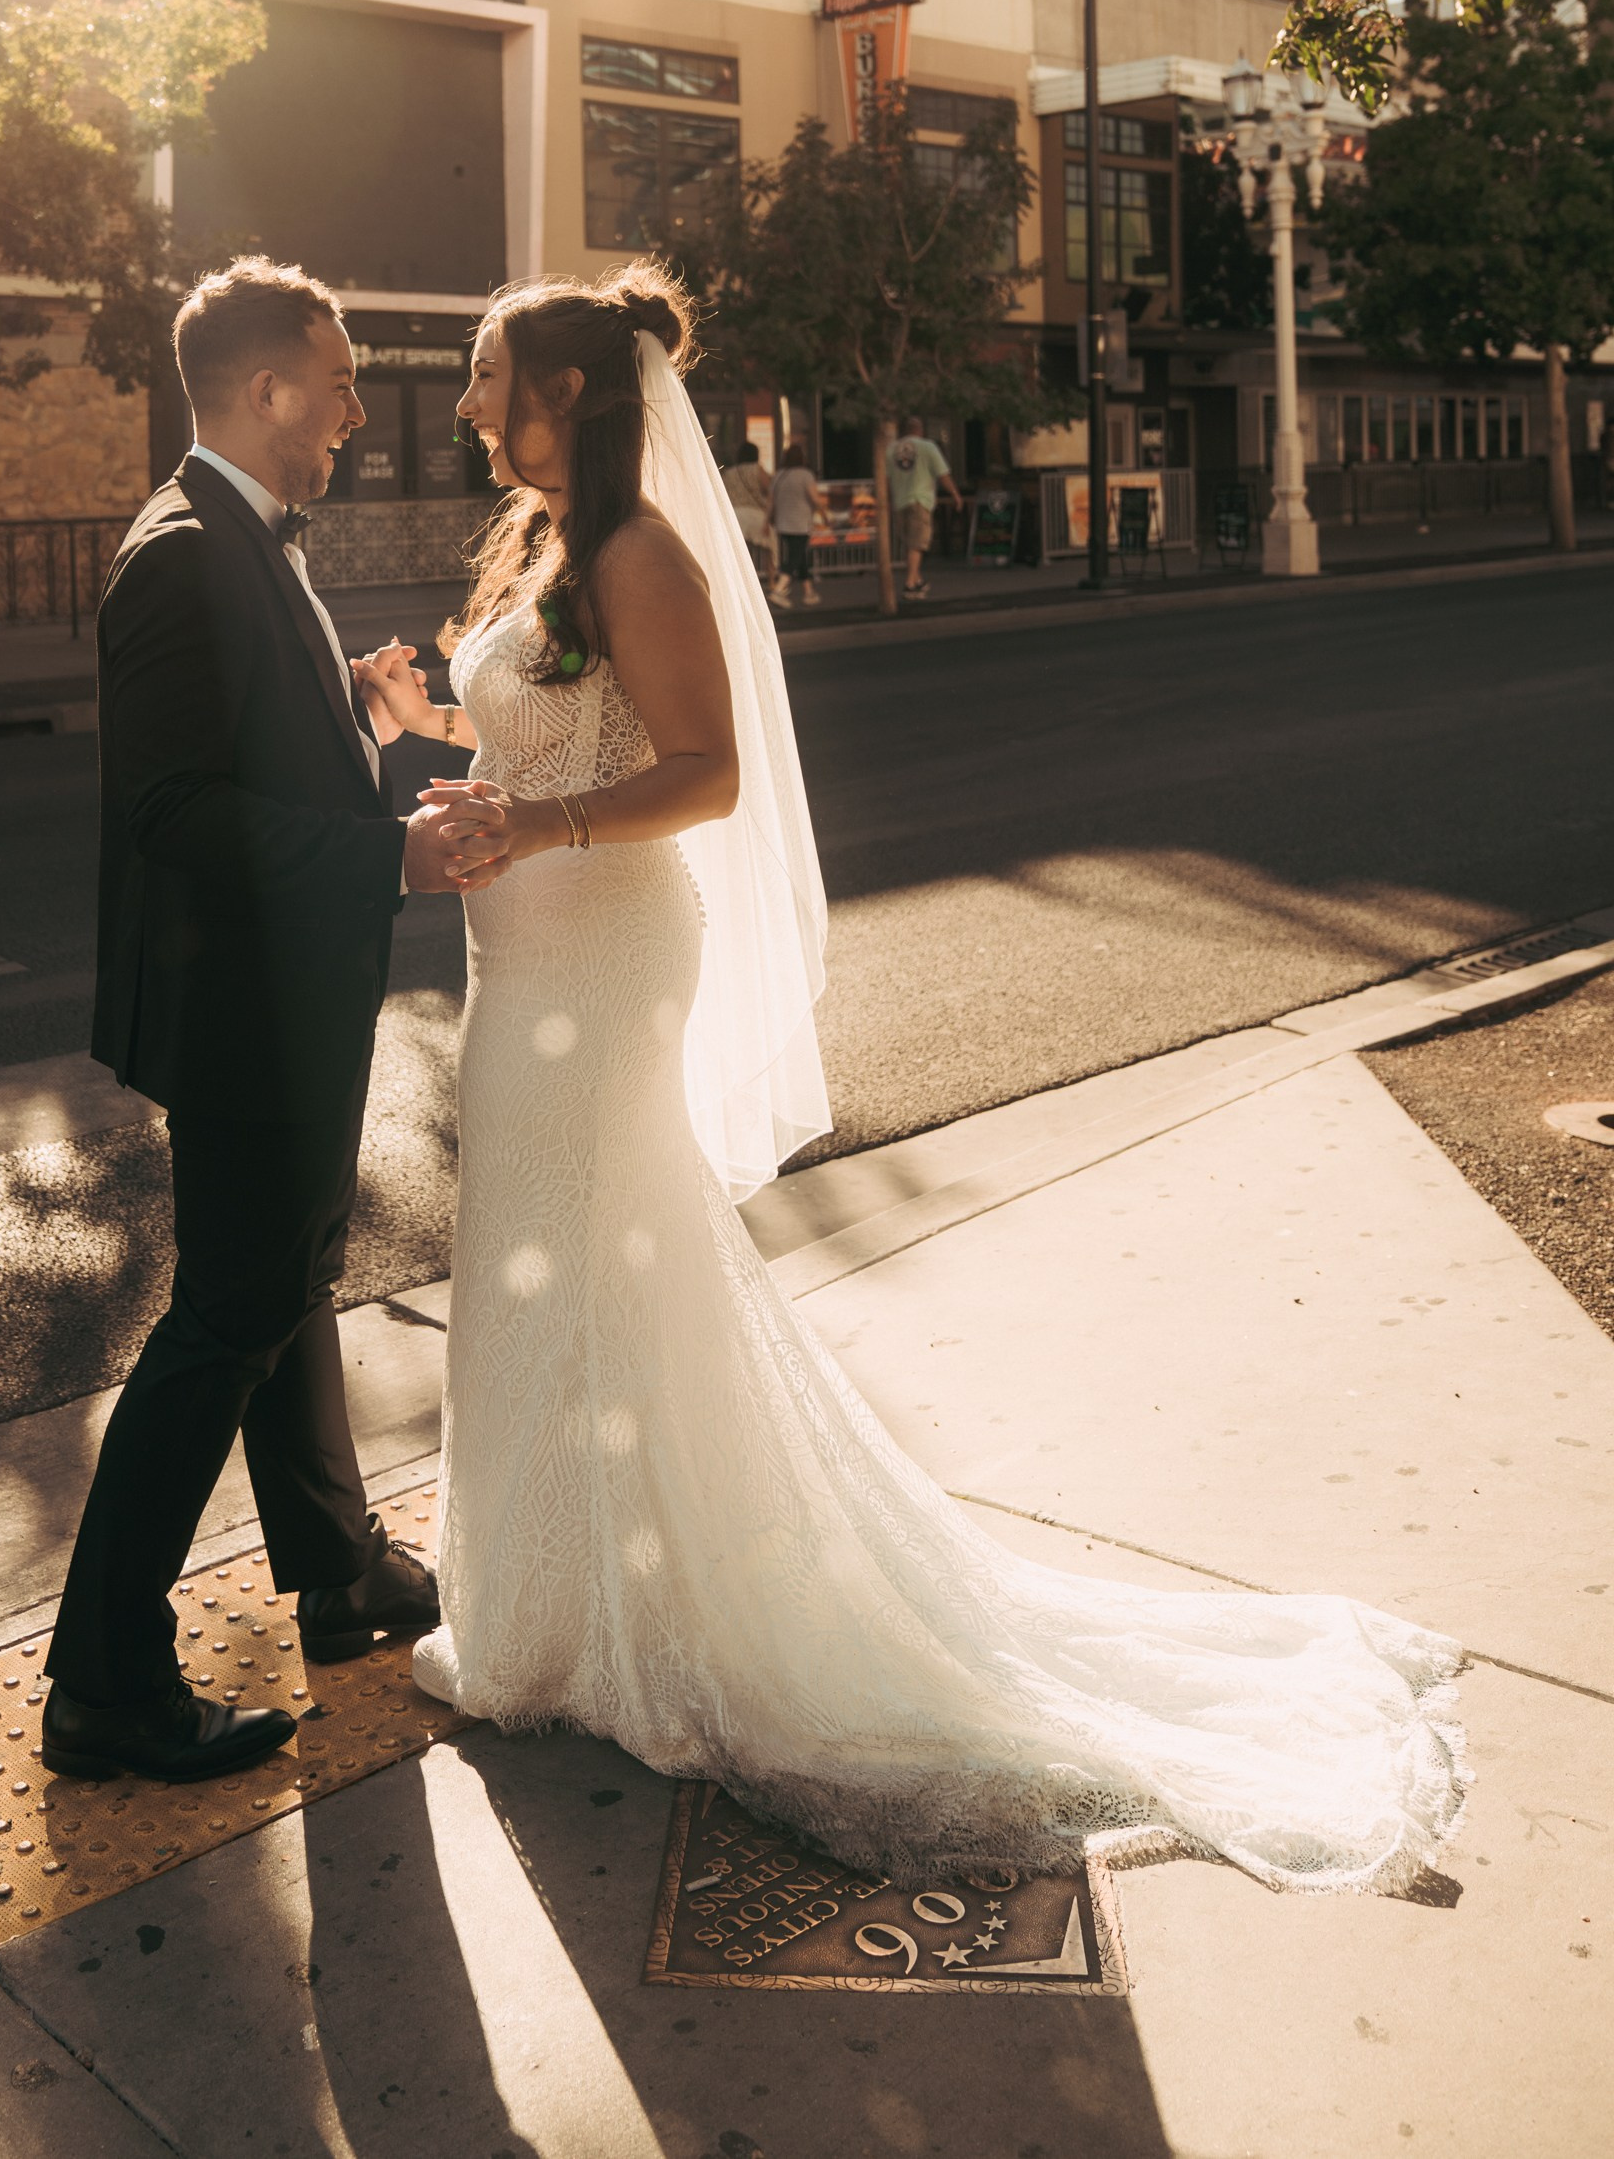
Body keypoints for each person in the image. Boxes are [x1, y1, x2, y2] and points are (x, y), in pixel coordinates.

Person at [351, 262, 1466, 1894]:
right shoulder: (547, 551)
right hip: (531, 953)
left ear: (567, 394)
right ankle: (555, 1604)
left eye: (483, 373)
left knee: (583, 1252)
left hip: (599, 958)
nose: (463, 405)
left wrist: (534, 828)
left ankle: (596, 1621)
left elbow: (705, 772)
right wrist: (431, 723)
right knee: (550, 1261)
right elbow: (551, 743)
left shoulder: (643, 551)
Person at [41, 260, 510, 1789]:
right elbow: (178, 814)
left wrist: (356, 724)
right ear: (265, 393)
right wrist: (390, 850)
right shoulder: (180, 554)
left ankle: (338, 1573)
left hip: (282, 999)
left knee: (291, 1278)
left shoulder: (237, 533)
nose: (359, 415)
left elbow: (253, 756)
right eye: (342, 382)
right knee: (229, 1318)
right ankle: (105, 1680)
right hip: (242, 1010)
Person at [884, 420, 963, 599]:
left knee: (909, 543)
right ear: (920, 430)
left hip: (899, 501)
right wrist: (955, 495)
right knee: (918, 542)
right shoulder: (928, 447)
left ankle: (917, 578)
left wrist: (888, 500)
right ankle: (910, 584)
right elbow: (943, 474)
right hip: (920, 499)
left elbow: (886, 478)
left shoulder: (891, 449)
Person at [767, 438, 819, 605]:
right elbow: (814, 498)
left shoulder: (779, 475)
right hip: (801, 523)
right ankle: (778, 590)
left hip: (782, 523)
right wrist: (825, 513)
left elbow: (771, 501)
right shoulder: (806, 475)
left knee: (799, 555)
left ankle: (809, 593)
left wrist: (768, 520)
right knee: (795, 557)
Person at [719, 437, 774, 587]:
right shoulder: (757, 469)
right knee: (770, 549)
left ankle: (740, 584)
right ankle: (772, 582)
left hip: (735, 515)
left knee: (739, 552)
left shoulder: (728, 473)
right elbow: (770, 491)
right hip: (755, 514)